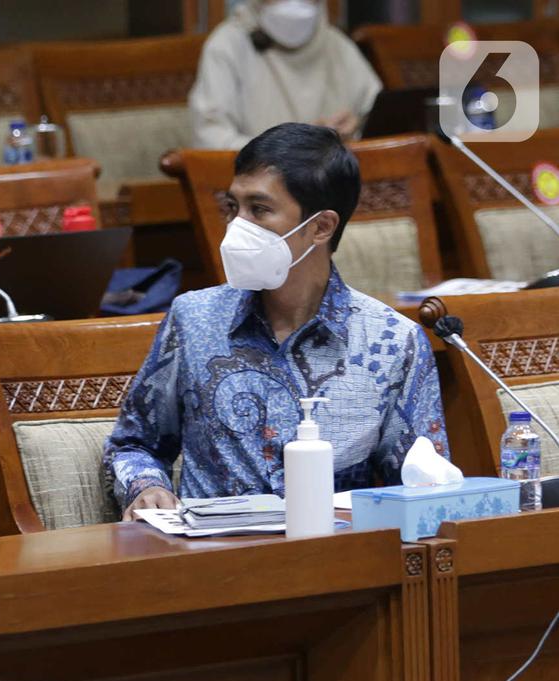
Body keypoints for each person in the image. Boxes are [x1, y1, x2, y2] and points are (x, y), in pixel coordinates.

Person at [103, 123, 448, 517]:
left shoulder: (392, 341)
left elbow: (424, 485)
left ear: (320, 227)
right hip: (213, 560)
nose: (237, 226)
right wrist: (145, 487)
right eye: (234, 207)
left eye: (259, 209)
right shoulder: (194, 319)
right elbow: (133, 444)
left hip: (336, 559)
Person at [188, 0, 382, 149]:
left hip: (334, 191)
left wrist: (354, 129)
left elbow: (378, 114)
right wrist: (288, 151)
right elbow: (210, 138)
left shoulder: (337, 44)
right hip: (259, 191)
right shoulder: (227, 46)